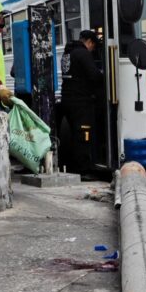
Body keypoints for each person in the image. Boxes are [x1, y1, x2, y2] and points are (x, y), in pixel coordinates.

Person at [60, 29, 103, 179]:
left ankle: (74, 166)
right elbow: (94, 75)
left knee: (74, 134)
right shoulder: (83, 53)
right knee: (84, 135)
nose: (92, 50)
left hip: (67, 99)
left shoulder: (67, 53)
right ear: (89, 42)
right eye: (93, 47)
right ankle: (84, 170)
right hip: (81, 101)